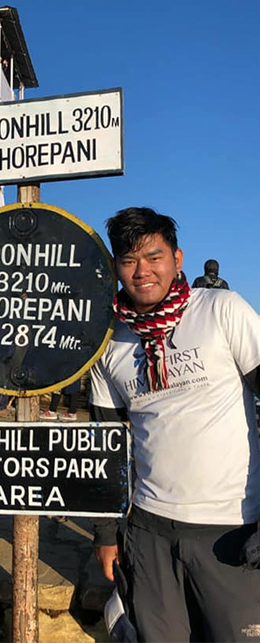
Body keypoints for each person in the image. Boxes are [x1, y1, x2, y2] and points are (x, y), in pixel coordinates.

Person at [89, 207, 260, 642]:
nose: (142, 271)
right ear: (116, 267)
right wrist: (106, 534)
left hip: (231, 529)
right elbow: (105, 449)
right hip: (149, 532)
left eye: (154, 256)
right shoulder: (109, 342)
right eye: (129, 260)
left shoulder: (222, 310)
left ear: (178, 259)